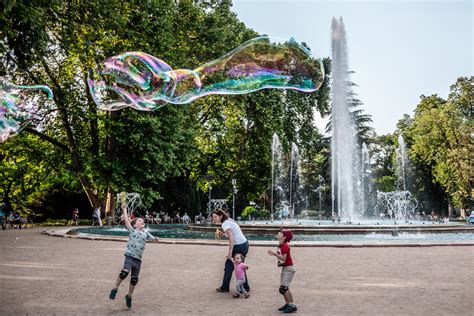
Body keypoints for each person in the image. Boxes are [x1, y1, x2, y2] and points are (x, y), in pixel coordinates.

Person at [109, 208, 159, 308]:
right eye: (139, 221)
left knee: (134, 279)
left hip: (138, 259)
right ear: (135, 225)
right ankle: (115, 288)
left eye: (142, 221)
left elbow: (152, 239)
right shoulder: (132, 231)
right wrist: (124, 211)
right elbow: (127, 222)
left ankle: (129, 296)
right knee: (124, 273)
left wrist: (156, 239)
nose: (142, 221)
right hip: (130, 256)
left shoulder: (146, 232)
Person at [212, 209, 250, 293]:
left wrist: (230, 253)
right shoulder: (228, 220)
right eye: (213, 217)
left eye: (215, 217)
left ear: (221, 216)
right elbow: (232, 234)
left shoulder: (225, 224)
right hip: (244, 244)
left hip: (239, 245)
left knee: (229, 266)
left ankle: (225, 287)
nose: (214, 219)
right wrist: (223, 234)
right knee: (239, 265)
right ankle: (245, 287)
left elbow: (232, 238)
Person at [267, 229, 297, 313]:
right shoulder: (281, 245)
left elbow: (284, 258)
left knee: (284, 288)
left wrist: (274, 254)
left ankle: (291, 305)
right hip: (286, 268)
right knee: (283, 288)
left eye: (281, 233)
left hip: (288, 269)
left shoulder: (285, 246)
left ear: (284, 237)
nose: (278, 233)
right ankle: (287, 304)